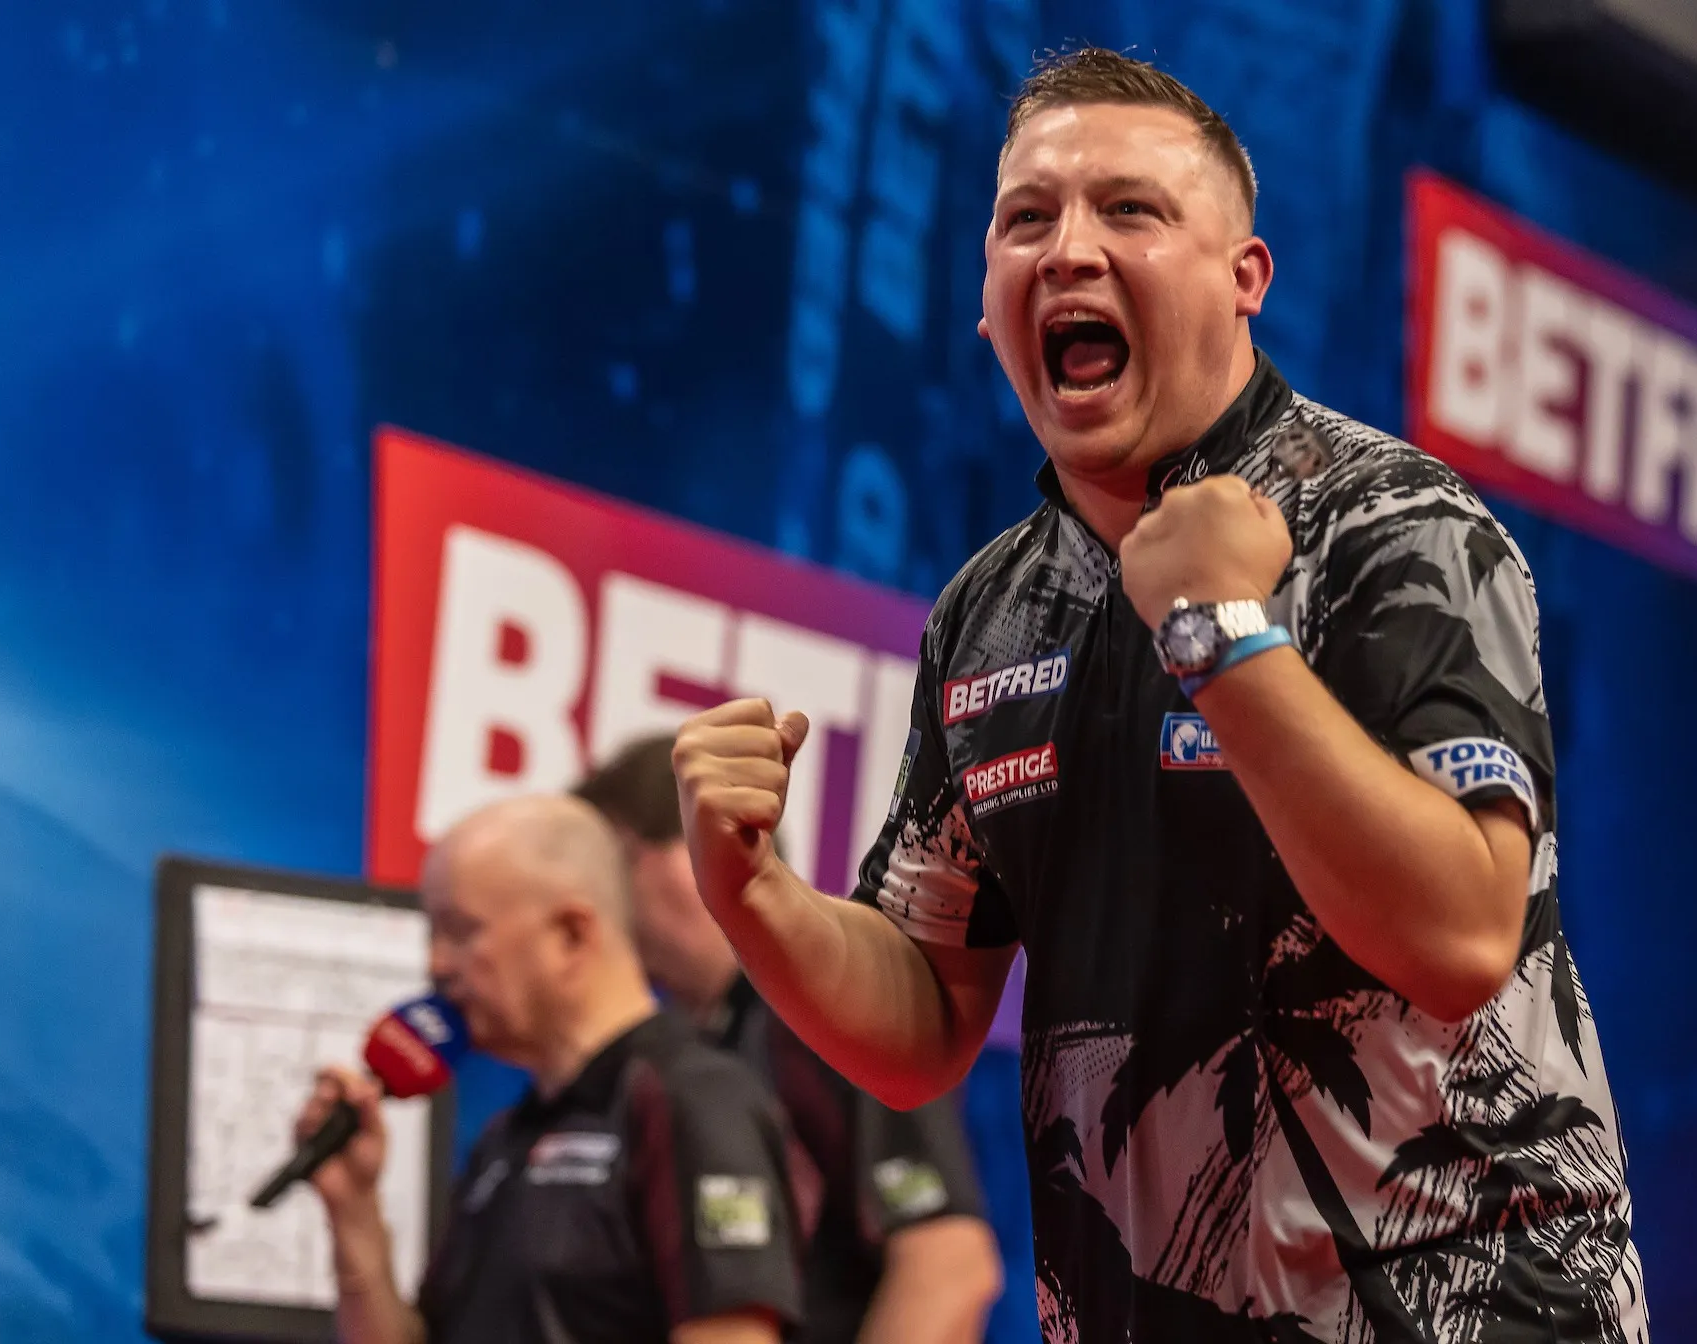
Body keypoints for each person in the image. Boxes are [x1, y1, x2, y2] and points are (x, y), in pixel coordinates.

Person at [672, 47, 1647, 1343]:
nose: (1069, 248)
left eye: (1130, 209)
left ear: (1245, 281)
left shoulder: (1392, 522)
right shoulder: (986, 611)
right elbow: (924, 1016)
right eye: (1028, 218)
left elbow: (1463, 937)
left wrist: (1224, 640)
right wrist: (753, 896)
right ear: (985, 305)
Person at [291, 795, 801, 1344]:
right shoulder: (505, 1141)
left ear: (571, 934)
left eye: (462, 931)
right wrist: (355, 1214)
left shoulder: (694, 1099)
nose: (436, 965)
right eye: (432, 934)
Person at [575, 734, 1003, 1343]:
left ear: (683, 854)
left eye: (613, 866)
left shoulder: (834, 1012)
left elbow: (947, 1268)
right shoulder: (691, 1048)